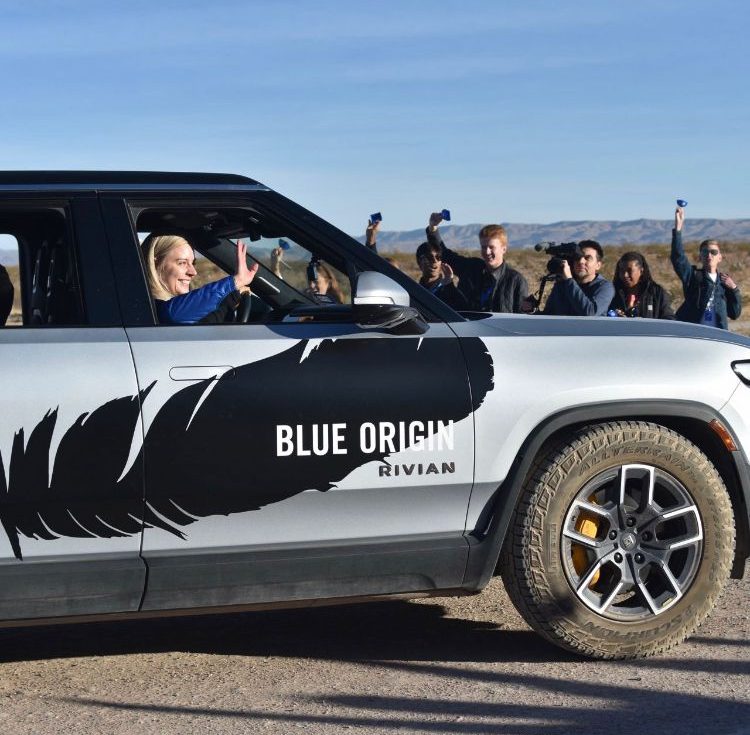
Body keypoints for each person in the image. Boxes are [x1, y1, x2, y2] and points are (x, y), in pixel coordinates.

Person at [142, 234, 258, 324]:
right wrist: (235, 283)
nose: (193, 272)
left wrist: (230, 299)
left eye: (193, 263)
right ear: (155, 263)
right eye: (182, 263)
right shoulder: (150, 308)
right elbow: (172, 314)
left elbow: (205, 322)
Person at [425, 213, 528, 313]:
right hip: (467, 330)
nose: (487, 252)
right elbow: (446, 255)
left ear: (503, 249)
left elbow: (521, 319)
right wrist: (433, 229)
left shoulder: (516, 281)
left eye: (491, 247)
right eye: (483, 247)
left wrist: (530, 310)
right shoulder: (471, 268)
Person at [671, 206, 742, 329]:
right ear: (700, 257)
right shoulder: (693, 276)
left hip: (717, 336)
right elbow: (678, 258)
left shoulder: (725, 282)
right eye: (705, 252)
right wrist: (678, 229)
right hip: (694, 333)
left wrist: (734, 290)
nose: (709, 255)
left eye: (713, 252)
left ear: (720, 257)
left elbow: (735, 314)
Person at [538, 240, 614, 316]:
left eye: (587, 258)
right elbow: (548, 315)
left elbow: (590, 312)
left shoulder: (605, 287)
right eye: (577, 258)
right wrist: (532, 310)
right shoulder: (562, 285)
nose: (581, 261)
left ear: (598, 265)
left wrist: (569, 279)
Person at [608, 251, 675, 319]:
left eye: (629, 270)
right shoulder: (612, 293)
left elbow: (668, 318)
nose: (625, 275)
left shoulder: (656, 293)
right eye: (622, 270)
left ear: (641, 271)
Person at [415, 240, 467, 310]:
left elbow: (463, 309)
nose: (435, 261)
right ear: (419, 262)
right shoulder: (415, 292)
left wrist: (449, 285)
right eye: (429, 257)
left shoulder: (449, 290)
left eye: (438, 257)